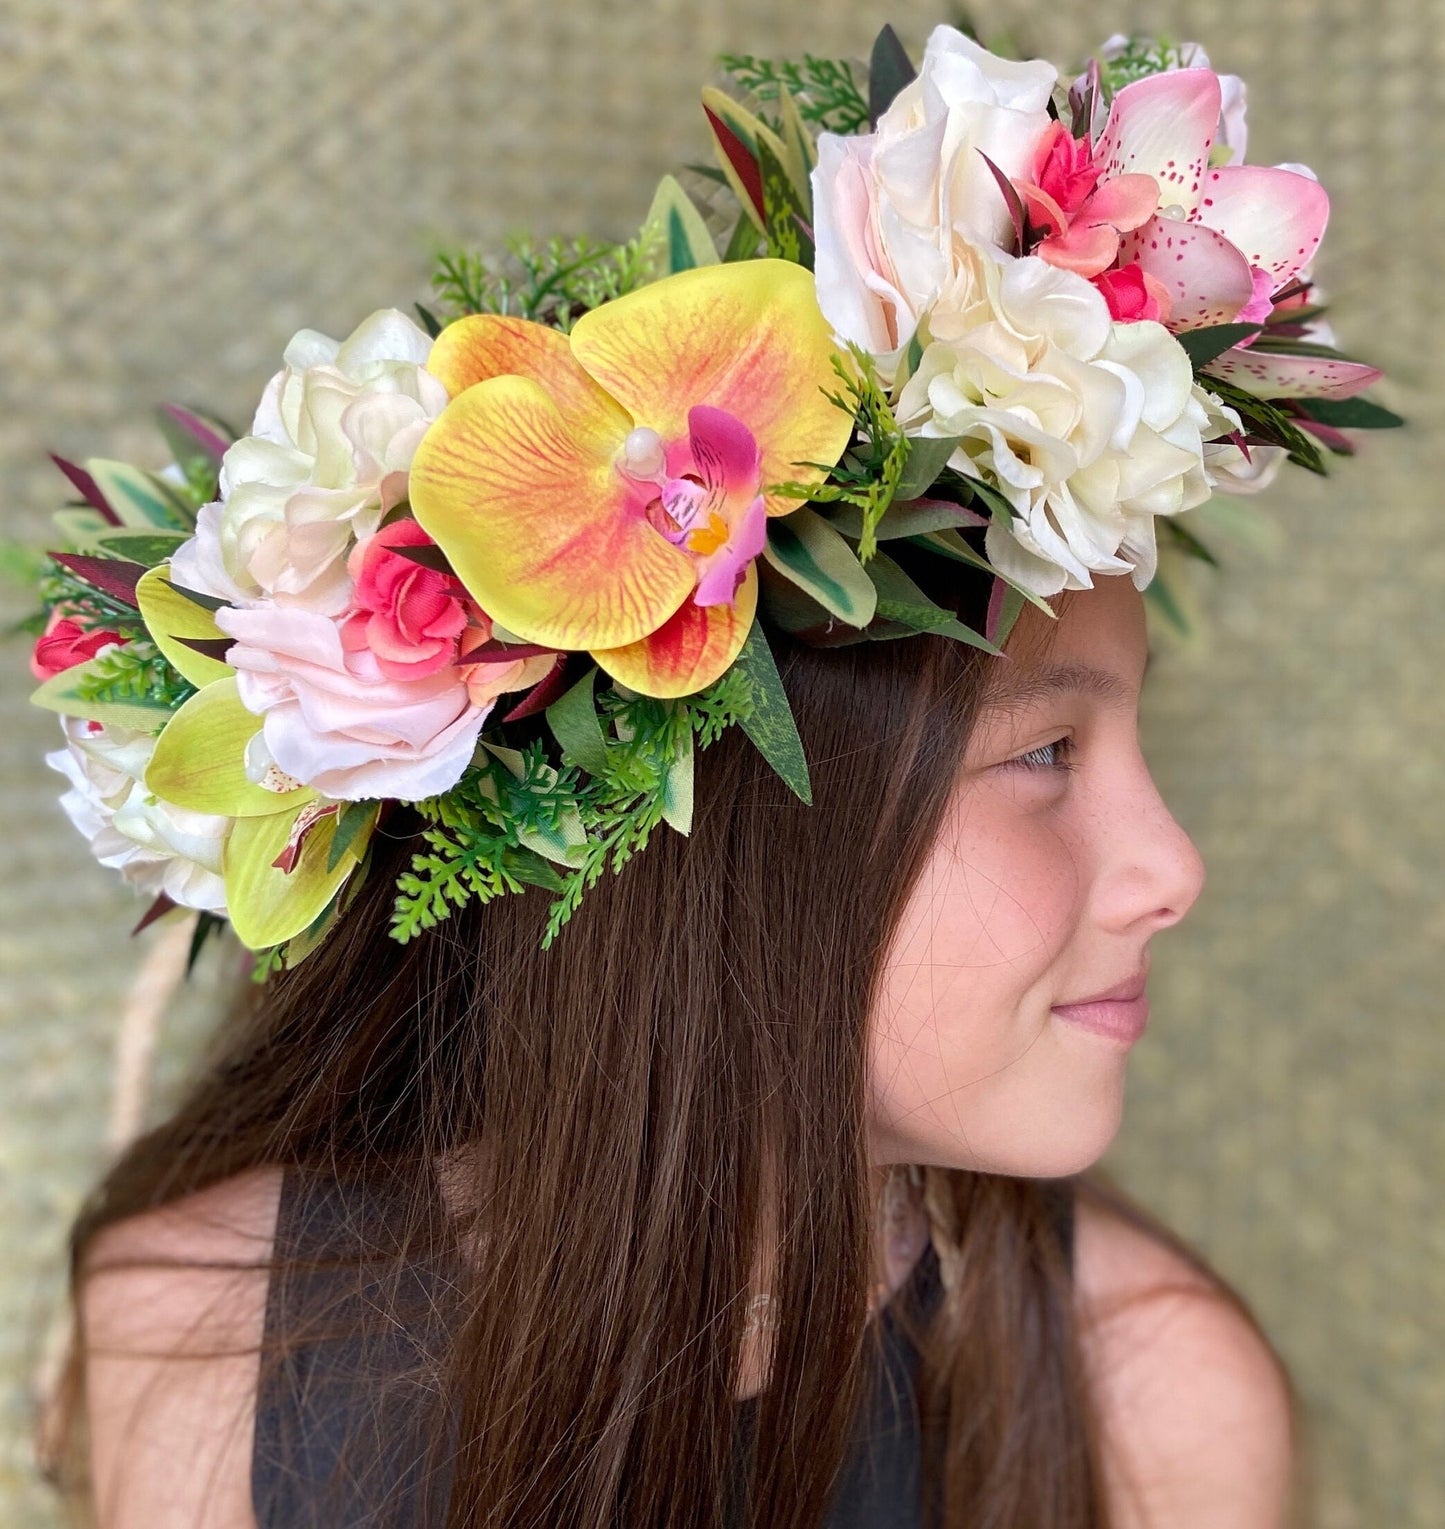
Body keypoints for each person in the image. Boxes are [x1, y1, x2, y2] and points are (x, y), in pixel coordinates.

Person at [61, 559, 1295, 1528]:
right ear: (715, 840)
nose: (1172, 867)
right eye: (1044, 753)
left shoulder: (1148, 1390)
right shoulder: (204, 1330)